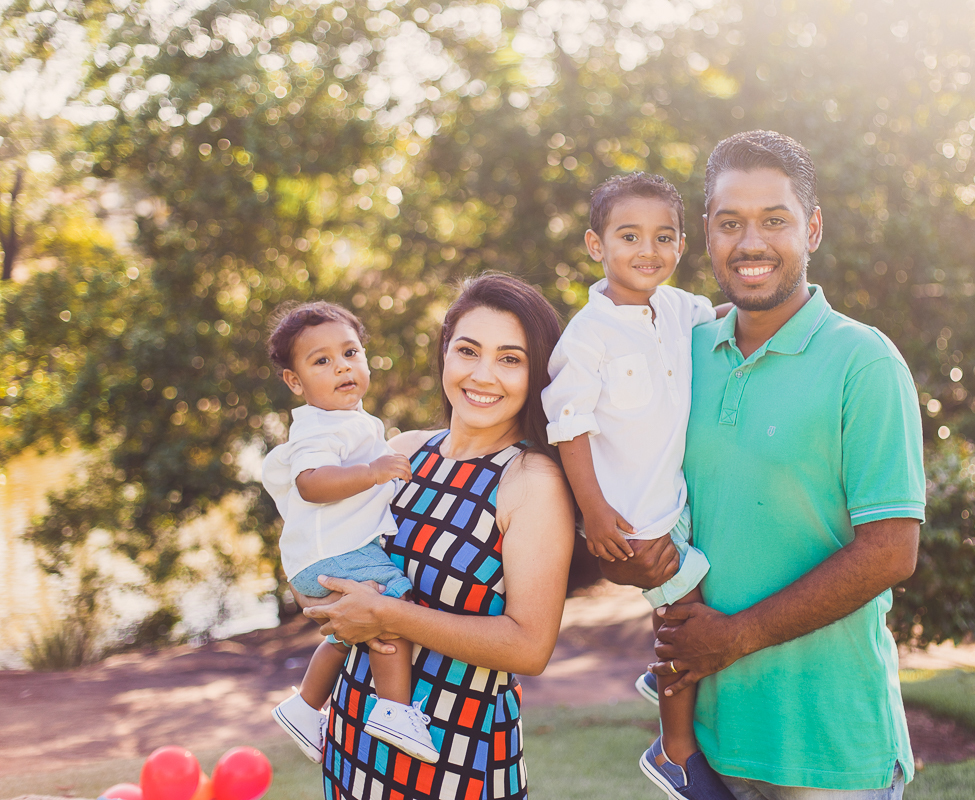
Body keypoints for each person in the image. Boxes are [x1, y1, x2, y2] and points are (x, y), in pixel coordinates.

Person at [602, 130, 926, 800]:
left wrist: (736, 636)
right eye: (730, 223)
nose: (751, 243)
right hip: (714, 748)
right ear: (707, 236)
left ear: (811, 228)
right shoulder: (681, 356)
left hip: (834, 753)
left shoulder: (863, 362)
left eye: (774, 221)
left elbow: (892, 551)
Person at [299, 274, 575, 800]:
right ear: (445, 352)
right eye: (468, 350)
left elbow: (530, 647)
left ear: (537, 372)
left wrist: (387, 615)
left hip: (456, 761)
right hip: (353, 744)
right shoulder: (404, 450)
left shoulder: (531, 482)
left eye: (510, 359)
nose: (483, 375)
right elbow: (326, 557)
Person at [541, 172, 734, 800]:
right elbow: (568, 428)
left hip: (678, 498)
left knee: (699, 601)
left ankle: (663, 678)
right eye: (629, 236)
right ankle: (674, 751)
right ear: (596, 245)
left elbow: (720, 321)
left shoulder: (682, 308)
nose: (647, 250)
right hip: (632, 517)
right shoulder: (588, 335)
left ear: (682, 245)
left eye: (664, 236)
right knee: (688, 613)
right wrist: (594, 516)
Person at [261, 301, 436, 764]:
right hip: (335, 552)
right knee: (389, 605)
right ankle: (394, 710)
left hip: (326, 555)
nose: (341, 366)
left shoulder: (350, 421)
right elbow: (312, 484)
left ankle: (303, 707)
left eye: (350, 353)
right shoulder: (318, 428)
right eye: (322, 361)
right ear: (295, 382)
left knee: (344, 633)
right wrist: (374, 472)